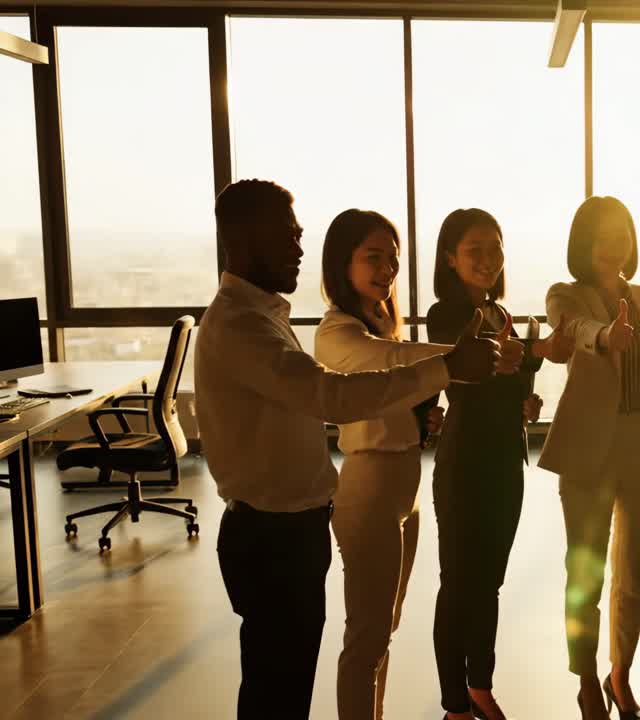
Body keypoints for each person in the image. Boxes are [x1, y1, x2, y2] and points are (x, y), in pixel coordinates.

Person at [196, 180, 501, 719]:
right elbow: (333, 396)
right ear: (243, 240)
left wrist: (415, 413)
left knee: (343, 653)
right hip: (276, 533)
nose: (297, 248)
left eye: (392, 258)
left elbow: (348, 390)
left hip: (301, 523)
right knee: (309, 672)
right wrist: (453, 362)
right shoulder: (248, 325)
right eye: (286, 236)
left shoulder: (269, 316)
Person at [312, 208, 522, 720]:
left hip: (404, 482)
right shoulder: (338, 331)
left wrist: (418, 419)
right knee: (366, 637)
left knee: (385, 628)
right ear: (342, 263)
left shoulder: (384, 320)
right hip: (370, 485)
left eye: (392, 259)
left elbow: (392, 389)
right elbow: (390, 363)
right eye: (372, 258)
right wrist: (463, 358)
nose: (386, 269)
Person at [426, 208, 569, 720]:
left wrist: (525, 404)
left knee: (489, 583)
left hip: (506, 462)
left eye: (495, 248)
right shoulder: (446, 314)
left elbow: (506, 383)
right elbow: (463, 366)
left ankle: (480, 684)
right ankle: (454, 703)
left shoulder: (500, 314)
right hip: (464, 465)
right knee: (459, 582)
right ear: (450, 258)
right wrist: (519, 353)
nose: (488, 260)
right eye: (474, 250)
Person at [540, 196, 640, 720]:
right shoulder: (565, 295)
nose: (614, 244)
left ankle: (621, 673)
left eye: (622, 233)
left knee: (633, 573)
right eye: (602, 235)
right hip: (590, 448)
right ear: (582, 243)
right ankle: (586, 680)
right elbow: (572, 329)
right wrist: (603, 335)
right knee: (586, 573)